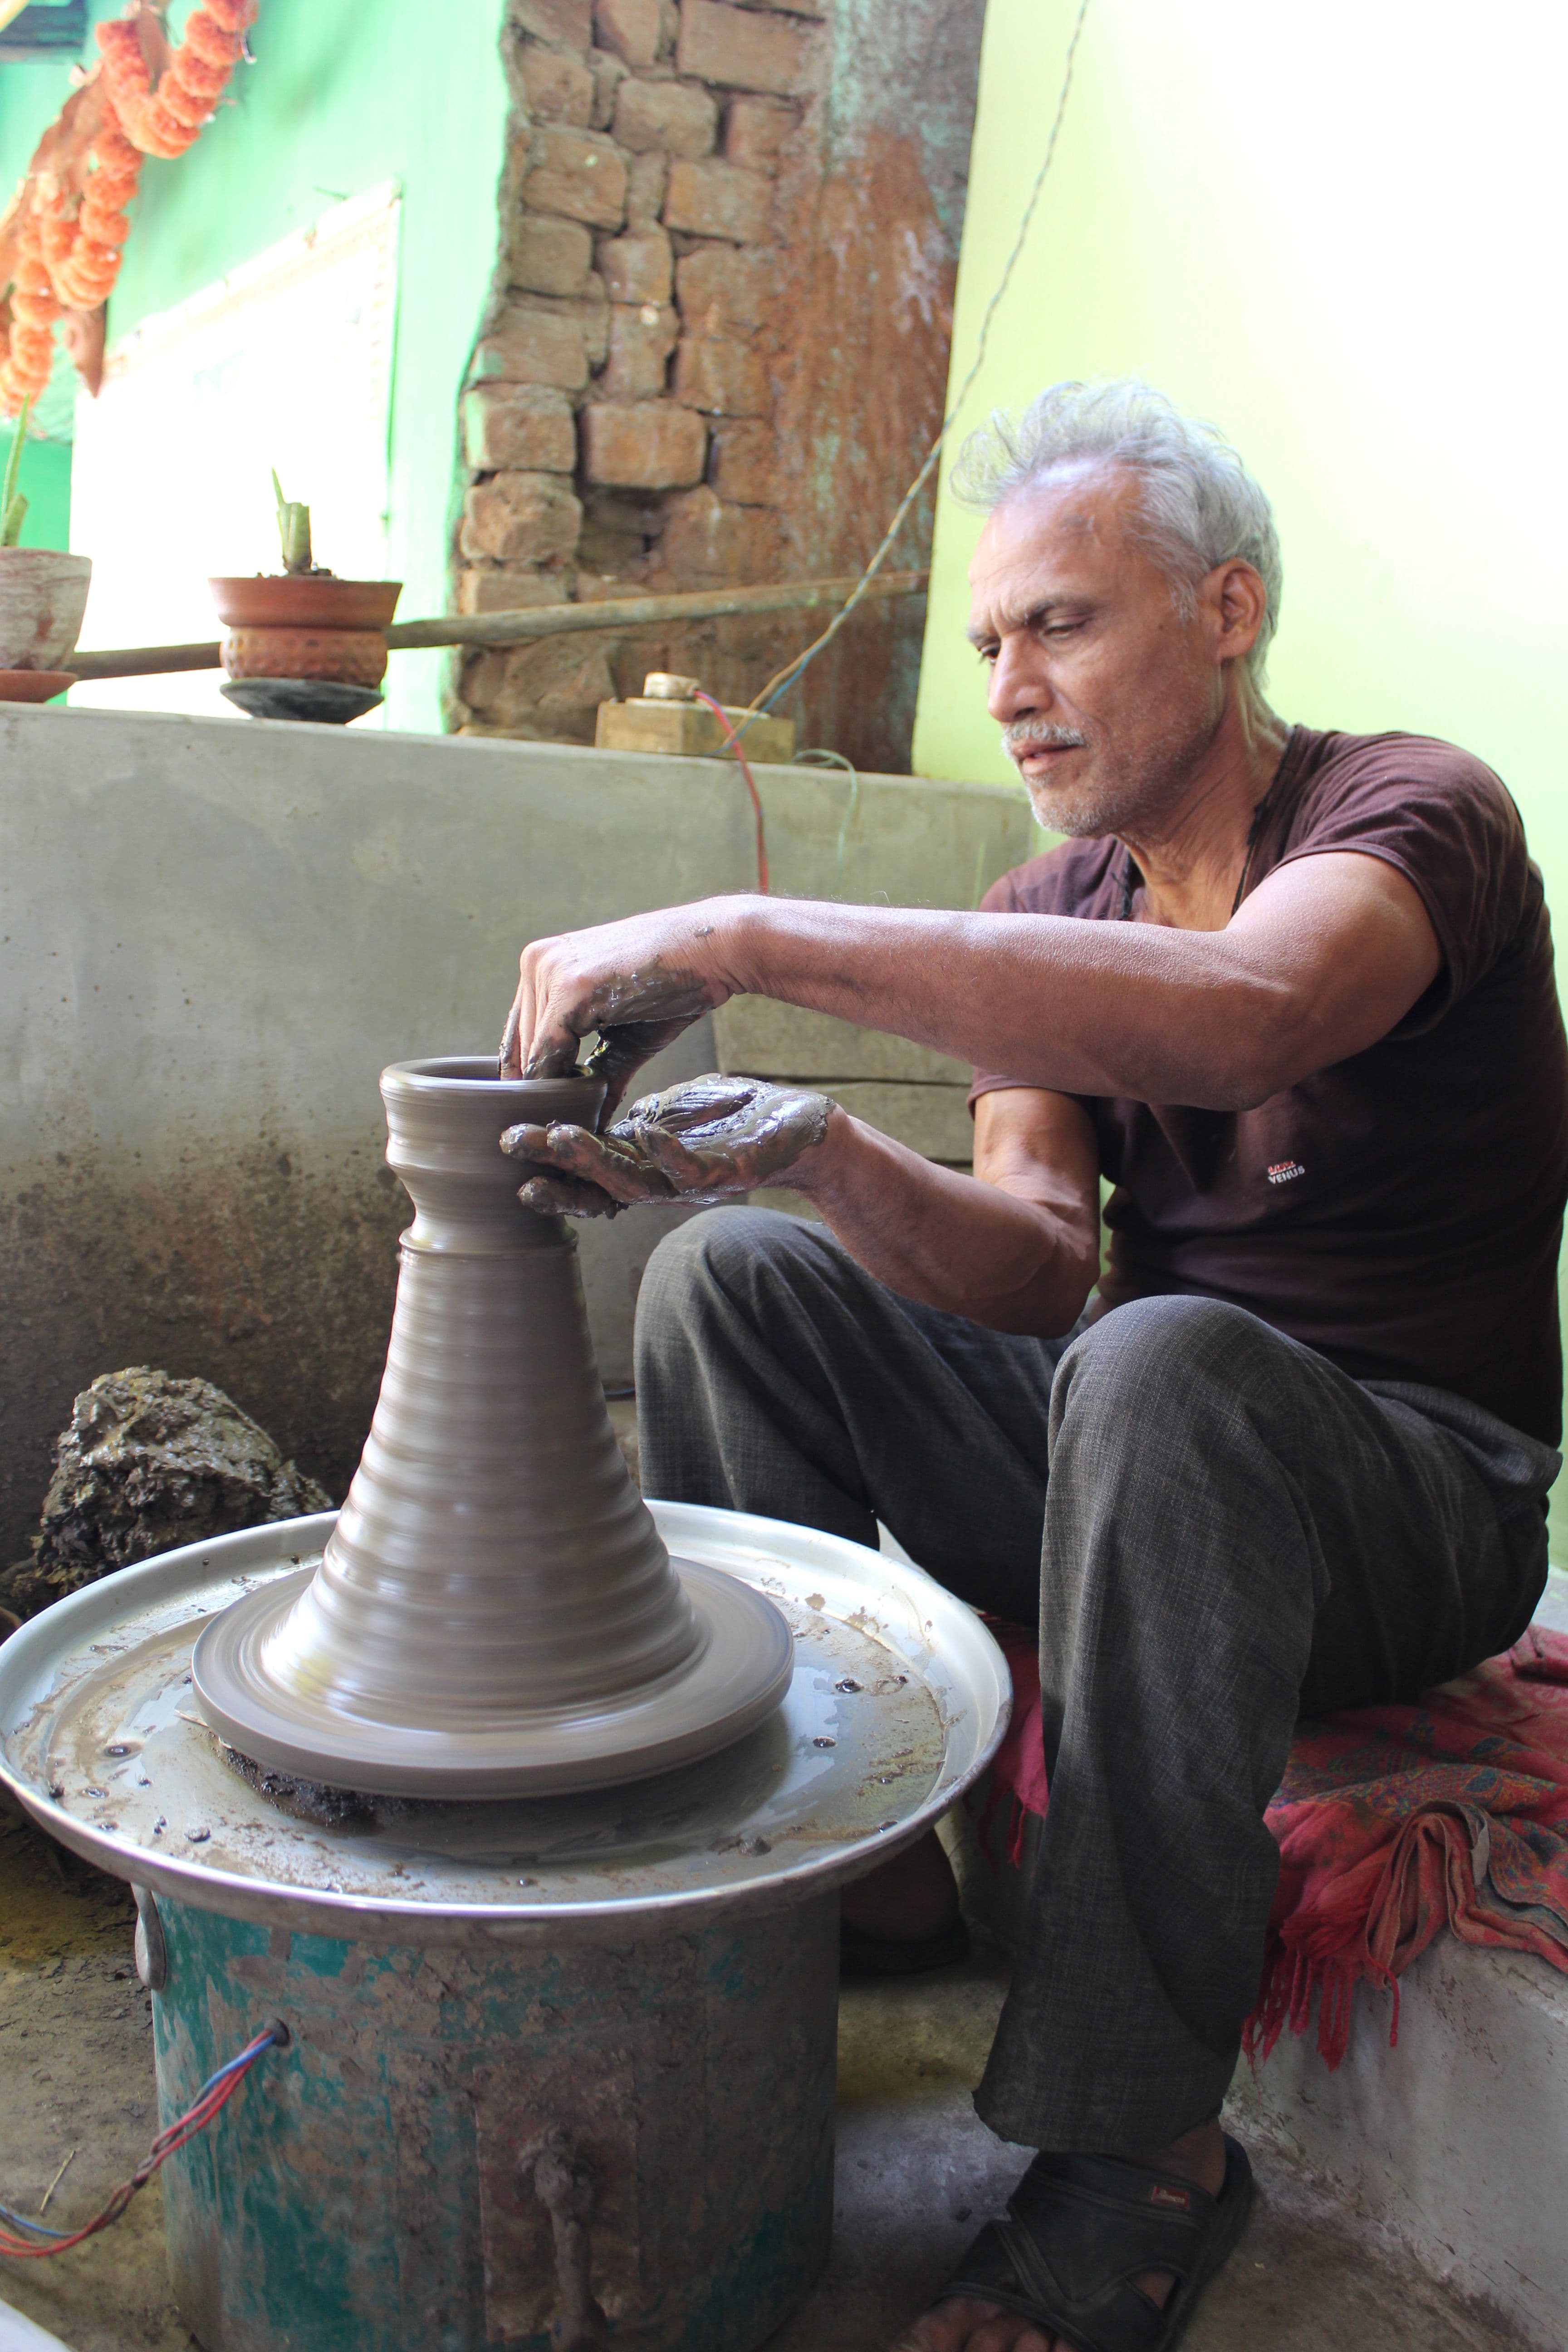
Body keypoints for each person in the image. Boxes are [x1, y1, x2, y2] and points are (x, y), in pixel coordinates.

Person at [497, 380, 1568, 2352]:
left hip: (1420, 1501)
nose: (1009, 685)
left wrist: (743, 930)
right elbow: (1019, 1270)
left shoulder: (1413, 814)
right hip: (1151, 1454)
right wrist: (814, 1149)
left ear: (1229, 609)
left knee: (1162, 1368)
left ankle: (1140, 2147)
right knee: (738, 1278)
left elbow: (1246, 1017)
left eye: (1061, 623)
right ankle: (882, 1876)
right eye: (991, 641)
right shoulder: (1047, 911)